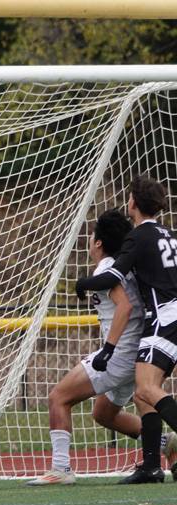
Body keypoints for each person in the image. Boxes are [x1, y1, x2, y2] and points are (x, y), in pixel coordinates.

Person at [28, 210, 175, 485]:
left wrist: (107, 350)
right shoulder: (126, 267)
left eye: (93, 233)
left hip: (119, 355)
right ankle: (165, 443)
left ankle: (60, 470)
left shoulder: (106, 269)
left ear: (97, 242)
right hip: (138, 356)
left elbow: (126, 306)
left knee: (59, 397)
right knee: (103, 413)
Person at [76, 176, 177, 483]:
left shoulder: (139, 236)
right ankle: (151, 467)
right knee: (143, 394)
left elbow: (112, 278)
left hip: (163, 318)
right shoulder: (169, 234)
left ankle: (153, 463)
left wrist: (83, 284)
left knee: (146, 388)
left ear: (133, 202)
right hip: (169, 316)